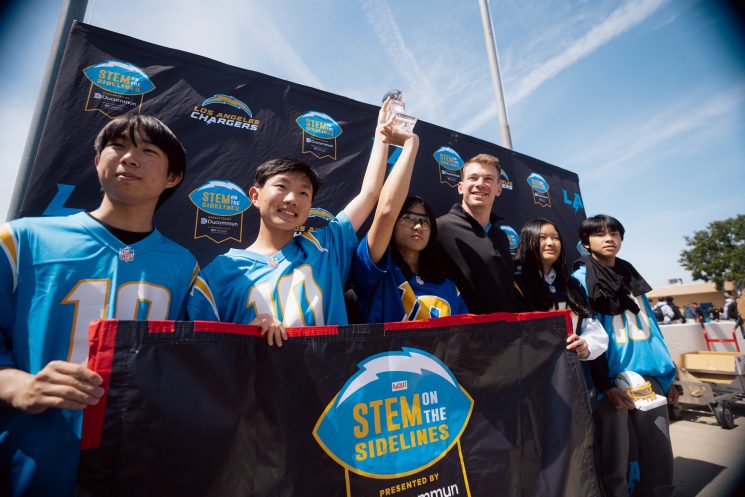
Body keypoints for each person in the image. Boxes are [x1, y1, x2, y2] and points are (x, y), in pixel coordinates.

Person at [0, 114, 198, 497]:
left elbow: (195, 366)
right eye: (117, 146)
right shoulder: (20, 239)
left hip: (135, 464)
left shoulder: (184, 267)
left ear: (172, 177)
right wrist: (14, 384)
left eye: (148, 151)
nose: (129, 158)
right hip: (30, 457)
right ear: (97, 162)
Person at [187, 100, 400, 343]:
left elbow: (370, 193)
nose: (292, 199)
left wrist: (382, 135)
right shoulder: (220, 272)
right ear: (255, 196)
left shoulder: (326, 246)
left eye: (303, 192)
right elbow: (197, 352)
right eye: (281, 186)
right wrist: (243, 336)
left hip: (329, 369)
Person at [572, 214, 677, 497]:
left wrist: (668, 375)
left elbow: (651, 328)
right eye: (600, 234)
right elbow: (587, 336)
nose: (609, 239)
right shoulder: (580, 279)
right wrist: (604, 385)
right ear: (586, 243)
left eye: (615, 233)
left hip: (648, 376)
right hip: (611, 381)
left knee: (659, 452)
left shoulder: (632, 276)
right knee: (614, 460)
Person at [352, 193, 468, 322]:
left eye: (425, 221)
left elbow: (464, 332)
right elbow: (386, 214)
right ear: (392, 223)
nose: (419, 227)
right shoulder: (377, 274)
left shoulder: (449, 288)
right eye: (408, 218)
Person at [514, 219, 607, 360]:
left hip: (573, 367)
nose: (551, 243)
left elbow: (592, 327)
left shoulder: (573, 285)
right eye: (542, 238)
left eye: (556, 238)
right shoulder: (517, 284)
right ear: (527, 241)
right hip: (536, 367)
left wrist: (586, 345)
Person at [436, 153, 516, 313]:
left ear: (498, 189)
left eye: (488, 179)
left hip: (506, 328)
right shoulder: (439, 228)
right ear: (460, 187)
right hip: (461, 328)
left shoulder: (501, 237)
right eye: (473, 178)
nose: (480, 184)